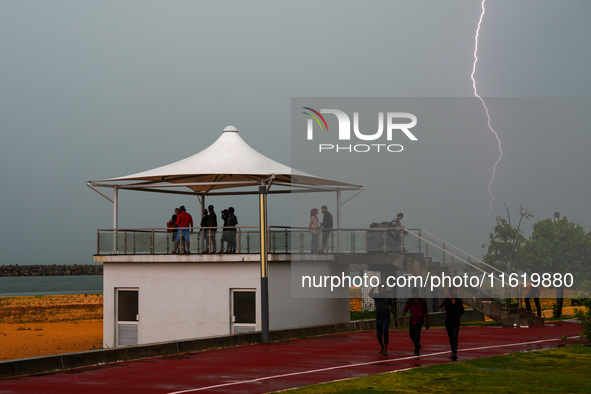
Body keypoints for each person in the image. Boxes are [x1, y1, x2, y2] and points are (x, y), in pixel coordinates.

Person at [369, 286, 397, 356]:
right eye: (381, 289)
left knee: (385, 333)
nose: (382, 290)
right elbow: (370, 294)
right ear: (379, 290)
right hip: (379, 317)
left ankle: (385, 349)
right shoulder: (377, 296)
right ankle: (382, 345)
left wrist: (395, 317)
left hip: (386, 317)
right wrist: (374, 287)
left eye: (383, 289)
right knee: (378, 335)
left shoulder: (388, 297)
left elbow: (392, 307)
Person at [438, 288, 464, 361]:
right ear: (450, 292)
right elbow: (439, 305)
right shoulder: (446, 300)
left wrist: (457, 315)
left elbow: (462, 310)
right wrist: (445, 297)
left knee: (455, 336)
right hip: (448, 322)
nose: (456, 292)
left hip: (456, 322)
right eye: (454, 291)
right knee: (451, 337)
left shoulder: (458, 300)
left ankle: (455, 353)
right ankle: (453, 352)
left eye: (456, 291)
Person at [402, 287, 430, 356]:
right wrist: (403, 316)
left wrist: (427, 321)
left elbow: (425, 311)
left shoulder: (422, 301)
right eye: (413, 293)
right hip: (412, 320)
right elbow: (405, 309)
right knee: (411, 334)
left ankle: (416, 350)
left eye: (416, 292)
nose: (415, 294)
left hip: (420, 319)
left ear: (418, 292)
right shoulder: (410, 300)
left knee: (417, 334)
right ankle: (417, 345)